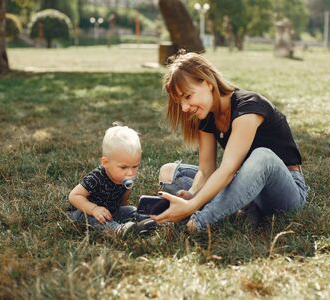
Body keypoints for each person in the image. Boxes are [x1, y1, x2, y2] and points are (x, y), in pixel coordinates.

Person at [152, 51, 308, 233]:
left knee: (262, 157)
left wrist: (192, 205)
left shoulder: (248, 107)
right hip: (243, 183)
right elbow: (206, 170)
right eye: (180, 102)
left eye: (188, 96)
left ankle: (199, 222)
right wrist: (192, 193)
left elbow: (228, 169)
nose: (185, 108)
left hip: (284, 192)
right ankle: (244, 209)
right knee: (170, 172)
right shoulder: (207, 116)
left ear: (208, 83)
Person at [67, 124, 154, 236]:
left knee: (131, 210)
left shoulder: (126, 177)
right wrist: (94, 209)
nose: (130, 172)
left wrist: (124, 209)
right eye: (124, 167)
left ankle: (148, 220)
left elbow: (124, 198)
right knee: (97, 220)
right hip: (85, 212)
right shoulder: (95, 178)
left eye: (135, 166)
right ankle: (118, 230)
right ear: (105, 163)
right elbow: (74, 196)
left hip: (112, 211)